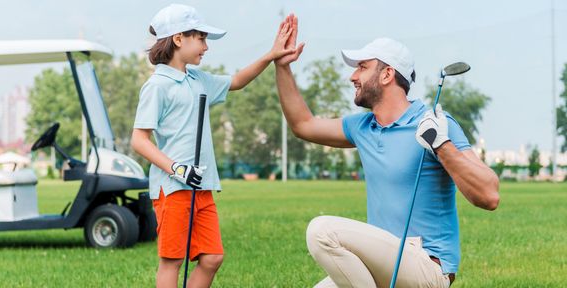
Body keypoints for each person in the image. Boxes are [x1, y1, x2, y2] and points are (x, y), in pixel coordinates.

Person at [274, 16, 500, 288]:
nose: (353, 76)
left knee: (322, 231)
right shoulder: (362, 127)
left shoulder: (436, 124)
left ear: (386, 74)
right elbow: (303, 125)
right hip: (384, 263)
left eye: (362, 67)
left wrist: (441, 144)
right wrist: (283, 66)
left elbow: (489, 195)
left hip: (427, 267)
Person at [130, 4, 296, 288]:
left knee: (212, 257)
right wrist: (177, 169)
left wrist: (271, 55)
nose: (206, 47)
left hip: (202, 185)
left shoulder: (199, 79)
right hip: (172, 187)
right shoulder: (157, 86)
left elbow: (237, 80)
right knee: (172, 260)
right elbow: (139, 140)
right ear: (179, 38)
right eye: (201, 39)